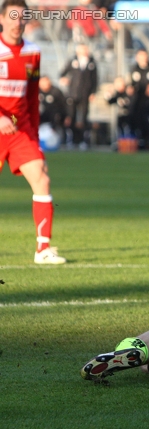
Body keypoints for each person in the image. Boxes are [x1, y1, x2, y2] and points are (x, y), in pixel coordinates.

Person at [0, 0, 66, 264]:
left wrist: (33, 134)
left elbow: (31, 96)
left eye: (22, 17)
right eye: (12, 17)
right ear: (2, 19)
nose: (18, 22)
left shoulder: (33, 52)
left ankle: (43, 250)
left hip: (20, 129)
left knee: (41, 178)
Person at [59, 43, 97, 149]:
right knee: (72, 116)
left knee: (84, 117)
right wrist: (64, 79)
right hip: (73, 94)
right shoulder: (73, 61)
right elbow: (62, 73)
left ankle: (84, 141)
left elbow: (95, 79)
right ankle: (72, 140)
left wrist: (93, 92)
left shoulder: (92, 63)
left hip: (85, 94)